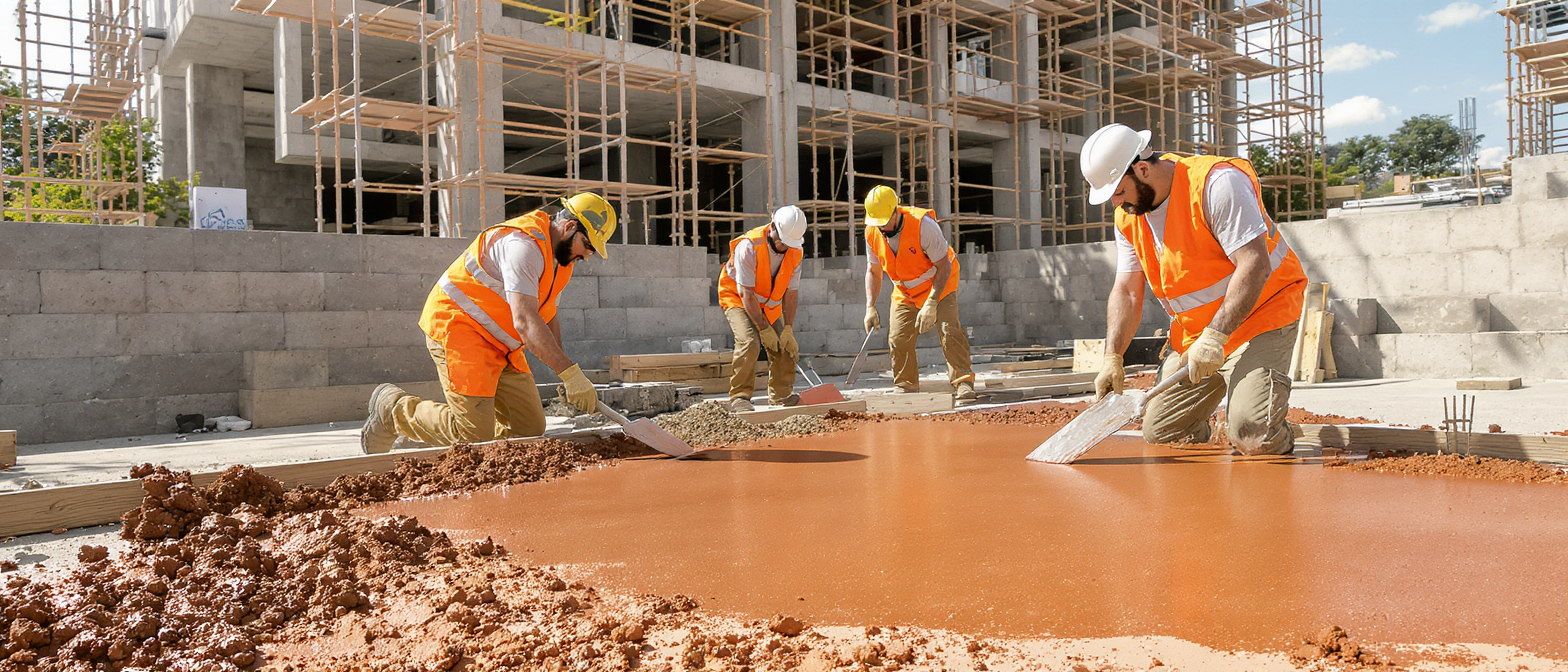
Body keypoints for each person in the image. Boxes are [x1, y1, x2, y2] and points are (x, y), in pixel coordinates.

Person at [1081, 123, 1308, 455]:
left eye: (1118, 191)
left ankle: (1264, 426)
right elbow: (1128, 290)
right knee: (1162, 431)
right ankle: (1232, 421)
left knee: (1253, 436)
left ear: (1142, 169)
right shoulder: (1129, 216)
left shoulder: (1217, 184)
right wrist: (1112, 356)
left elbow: (1254, 265)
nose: (1116, 203)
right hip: (1200, 335)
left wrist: (1216, 338)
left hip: (1264, 314)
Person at [360, 193, 617, 453]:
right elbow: (526, 321)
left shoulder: (561, 261)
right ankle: (393, 410)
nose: (587, 255)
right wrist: (569, 372)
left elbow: (546, 314)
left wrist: (563, 373)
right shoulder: (522, 246)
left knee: (527, 429)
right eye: (588, 245)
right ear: (570, 227)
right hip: (461, 329)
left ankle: (477, 445)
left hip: (502, 344)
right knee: (472, 435)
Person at [860, 185, 977, 402]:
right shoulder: (872, 232)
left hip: (940, 283)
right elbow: (873, 270)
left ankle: (963, 383)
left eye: (884, 222)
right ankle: (905, 385)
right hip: (905, 291)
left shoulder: (923, 226)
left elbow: (944, 266)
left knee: (949, 330)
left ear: (896, 211)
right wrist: (870, 306)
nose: (881, 228)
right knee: (898, 337)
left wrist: (932, 303)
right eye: (877, 223)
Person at [717, 206, 809, 412]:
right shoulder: (749, 246)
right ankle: (739, 397)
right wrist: (763, 328)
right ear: (773, 228)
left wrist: (789, 328)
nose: (784, 247)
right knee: (750, 341)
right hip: (737, 298)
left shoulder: (796, 251)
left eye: (789, 244)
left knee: (784, 346)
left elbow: (791, 293)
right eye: (782, 242)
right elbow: (746, 294)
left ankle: (781, 396)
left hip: (768, 304)